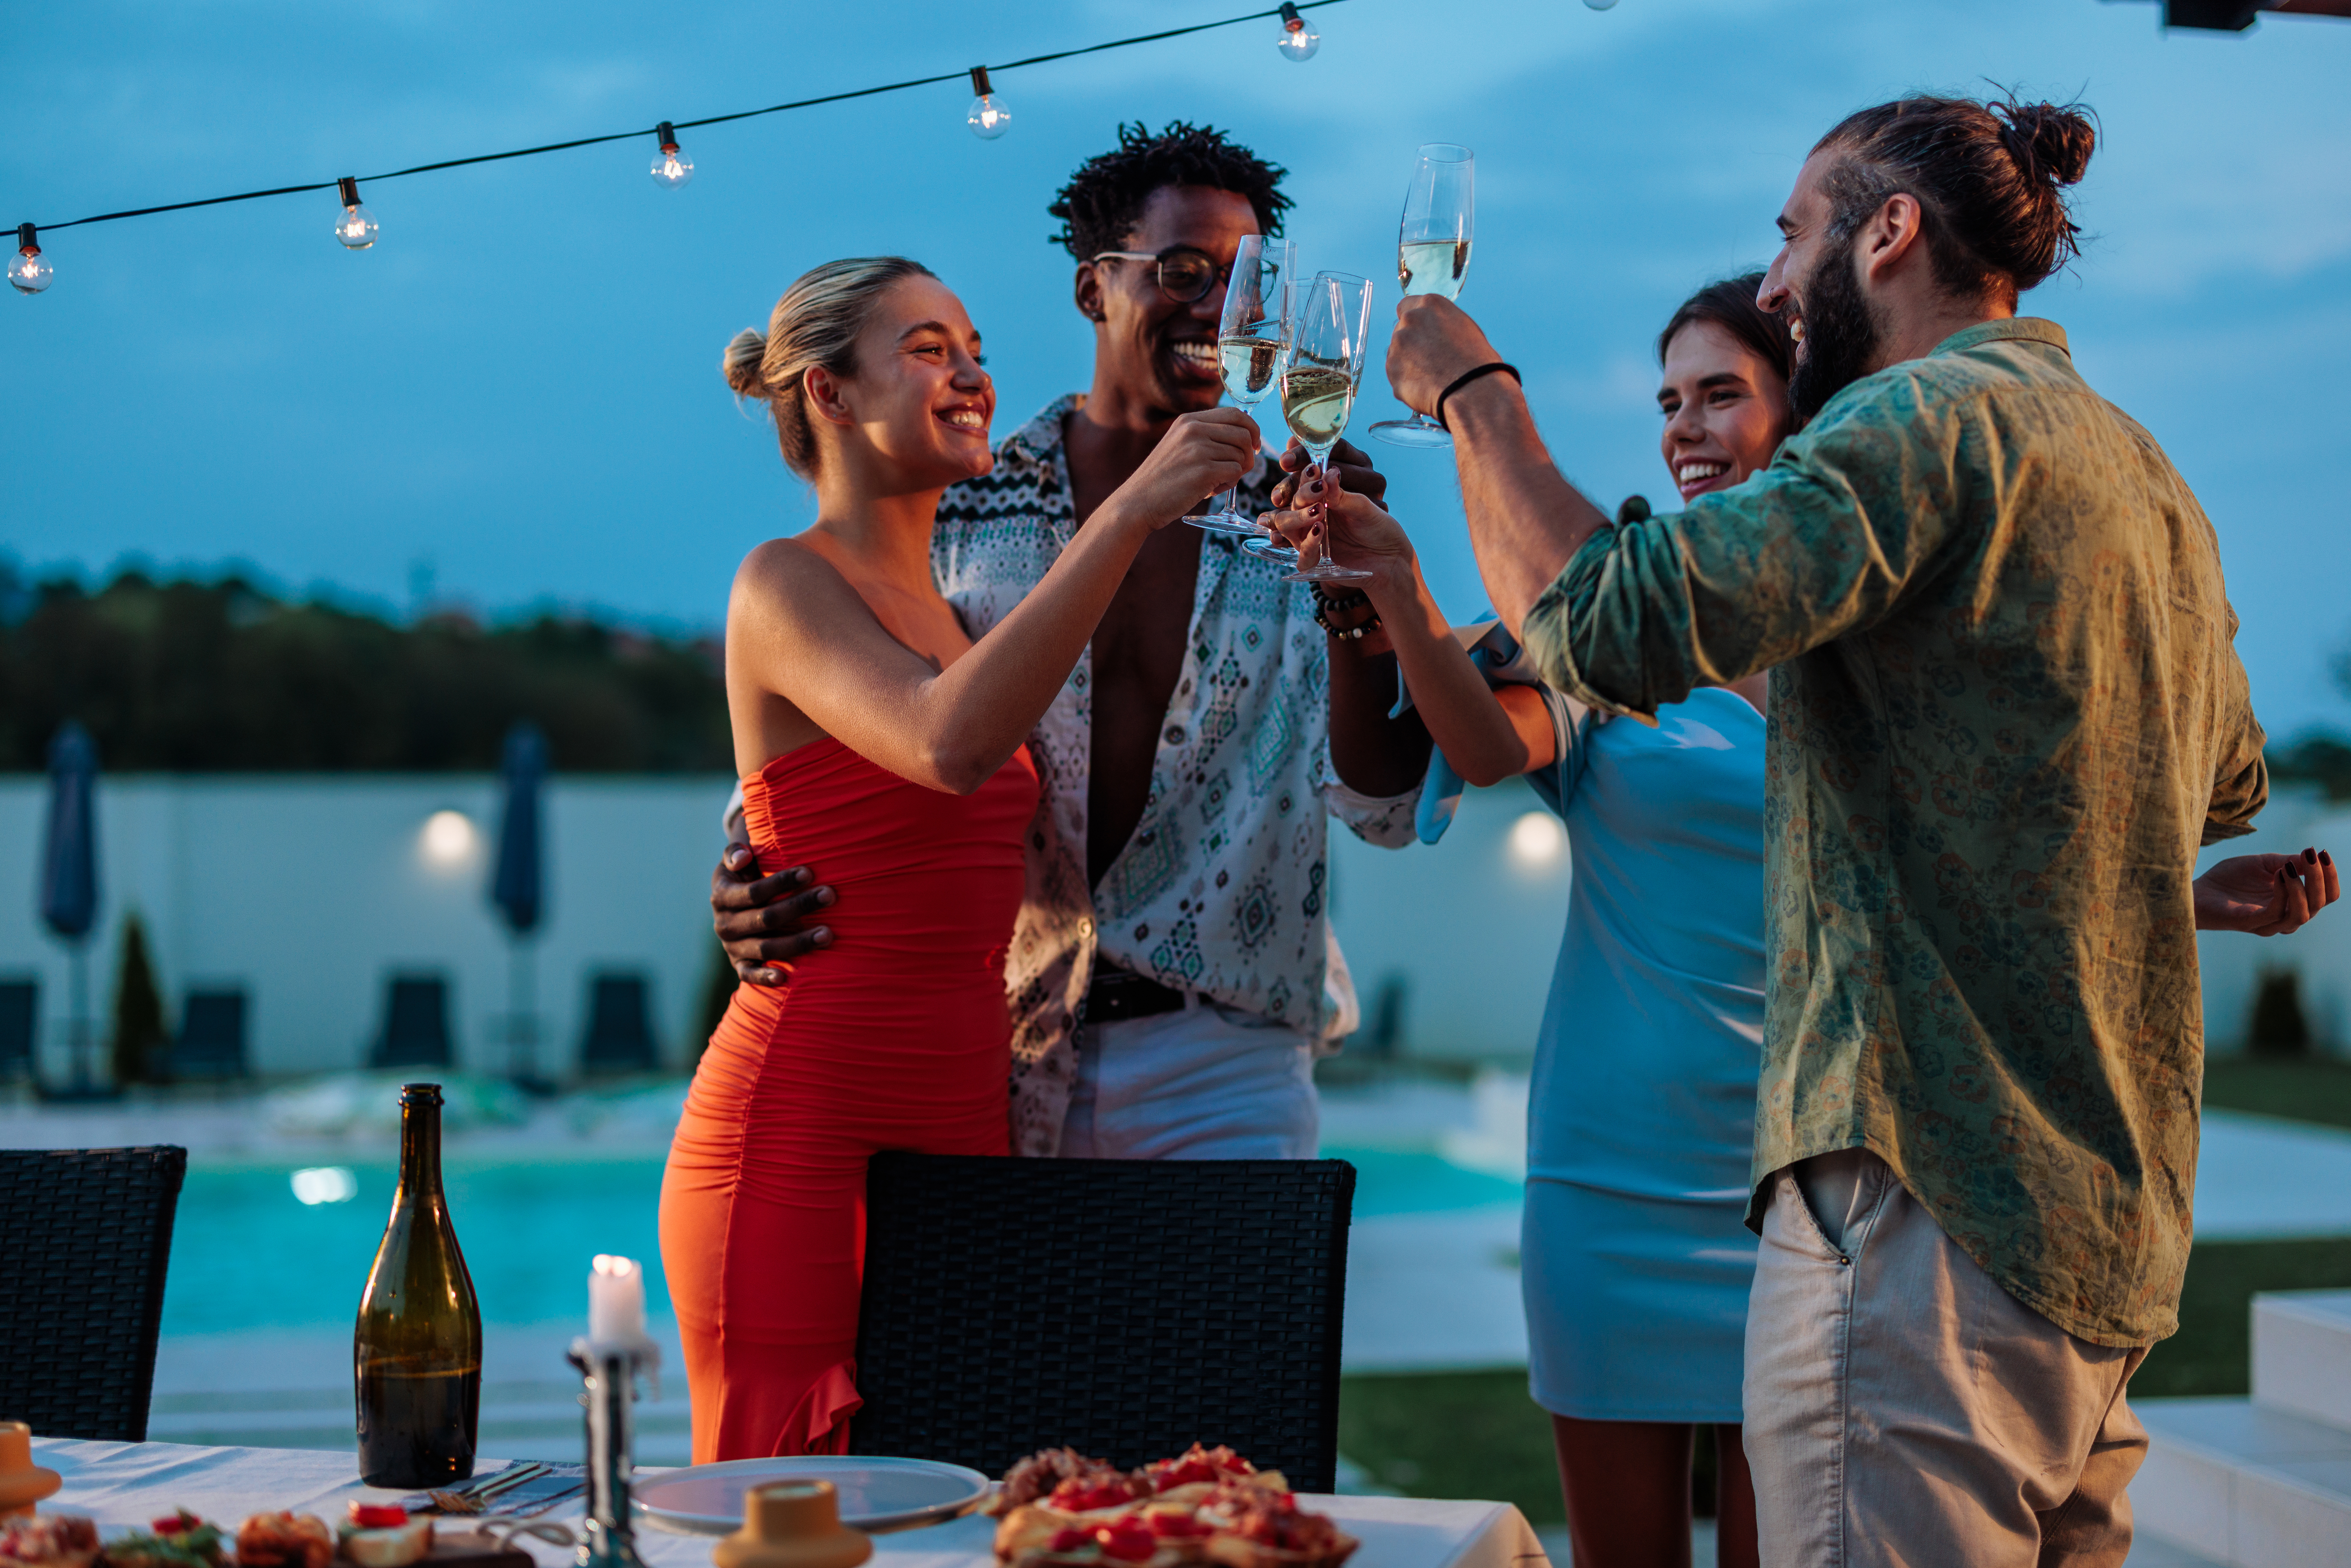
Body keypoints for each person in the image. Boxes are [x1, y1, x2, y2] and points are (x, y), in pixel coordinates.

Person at [1378, 93, 2342, 1565]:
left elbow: (1610, 618)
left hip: (1918, 1225)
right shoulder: (2148, 479)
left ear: (1887, 232)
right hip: (2099, 1237)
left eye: (1791, 232)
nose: (1772, 283)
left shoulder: (1918, 416)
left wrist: (1475, 395)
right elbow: (2209, 789)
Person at [709, 123, 1431, 1160]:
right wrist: (742, 867)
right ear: (1095, 289)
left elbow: (1385, 808)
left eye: (1248, 285)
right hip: (1010, 1049)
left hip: (1228, 1057)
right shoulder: (961, 504)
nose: (1220, 311)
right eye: (1183, 271)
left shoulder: (1298, 520)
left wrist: (1357, 605)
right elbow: (839, 721)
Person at [661, 256, 1259, 1461]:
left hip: (960, 1120)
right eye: (927, 348)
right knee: (792, 1512)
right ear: (828, 395)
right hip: (801, 1131)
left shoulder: (946, 604)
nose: (973, 372)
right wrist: (1133, 510)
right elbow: (941, 743)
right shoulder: (783, 579)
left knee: (948, 1495)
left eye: (974, 344)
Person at [1272, 275, 1792, 1568]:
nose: (1684, 428)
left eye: (1721, 393)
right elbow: (1475, 745)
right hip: (1609, 1179)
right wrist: (1396, 587)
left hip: (1807, 1181)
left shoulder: (1869, 642)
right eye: (1668, 400)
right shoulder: (1614, 620)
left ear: (1807, 409)